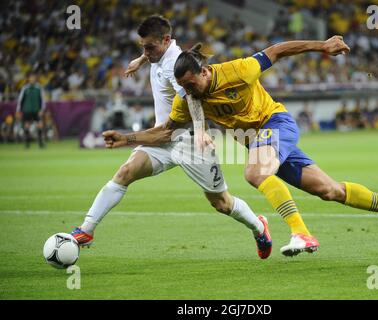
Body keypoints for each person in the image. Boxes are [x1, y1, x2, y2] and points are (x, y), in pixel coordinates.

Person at [105, 36, 378, 257]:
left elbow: (278, 50)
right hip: (261, 142)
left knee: (254, 173)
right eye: (182, 88)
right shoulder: (187, 99)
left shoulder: (239, 69)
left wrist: (322, 46)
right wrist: (127, 139)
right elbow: (166, 133)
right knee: (329, 190)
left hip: (276, 124)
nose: (187, 92)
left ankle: (302, 234)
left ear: (204, 71)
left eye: (190, 84)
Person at [71, 15, 272, 260]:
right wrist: (142, 59)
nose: (146, 51)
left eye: (149, 47)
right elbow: (153, 53)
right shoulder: (158, 54)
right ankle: (86, 230)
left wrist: (200, 128)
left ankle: (260, 227)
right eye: (143, 46)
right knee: (124, 173)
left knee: (222, 203)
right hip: (161, 139)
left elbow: (192, 96)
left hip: (188, 140)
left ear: (166, 40)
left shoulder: (173, 65)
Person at [16, 73, 46, 148]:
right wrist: (18, 110)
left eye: (33, 78)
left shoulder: (39, 88)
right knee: (26, 126)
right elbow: (20, 100)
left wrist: (42, 110)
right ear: (28, 79)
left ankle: (40, 143)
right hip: (27, 110)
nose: (32, 79)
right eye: (31, 78)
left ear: (35, 79)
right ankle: (27, 143)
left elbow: (43, 100)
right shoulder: (25, 88)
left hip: (37, 110)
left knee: (40, 125)